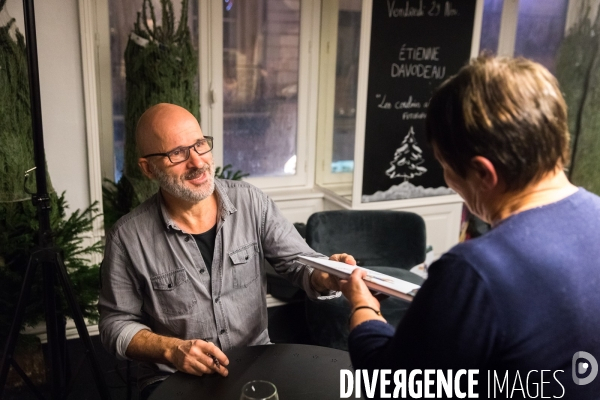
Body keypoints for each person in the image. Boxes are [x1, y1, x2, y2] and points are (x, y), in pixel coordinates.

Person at [340, 56, 600, 398]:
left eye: (446, 167)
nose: (449, 182)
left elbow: (393, 386)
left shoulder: (473, 271)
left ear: (483, 173)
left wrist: (363, 306)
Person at [98, 103, 353, 399]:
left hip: (257, 361)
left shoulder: (251, 203)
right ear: (148, 168)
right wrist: (172, 349)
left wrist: (328, 276)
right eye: (177, 153)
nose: (197, 162)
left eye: (200, 145)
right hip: (176, 377)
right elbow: (114, 324)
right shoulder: (127, 237)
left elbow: (300, 264)